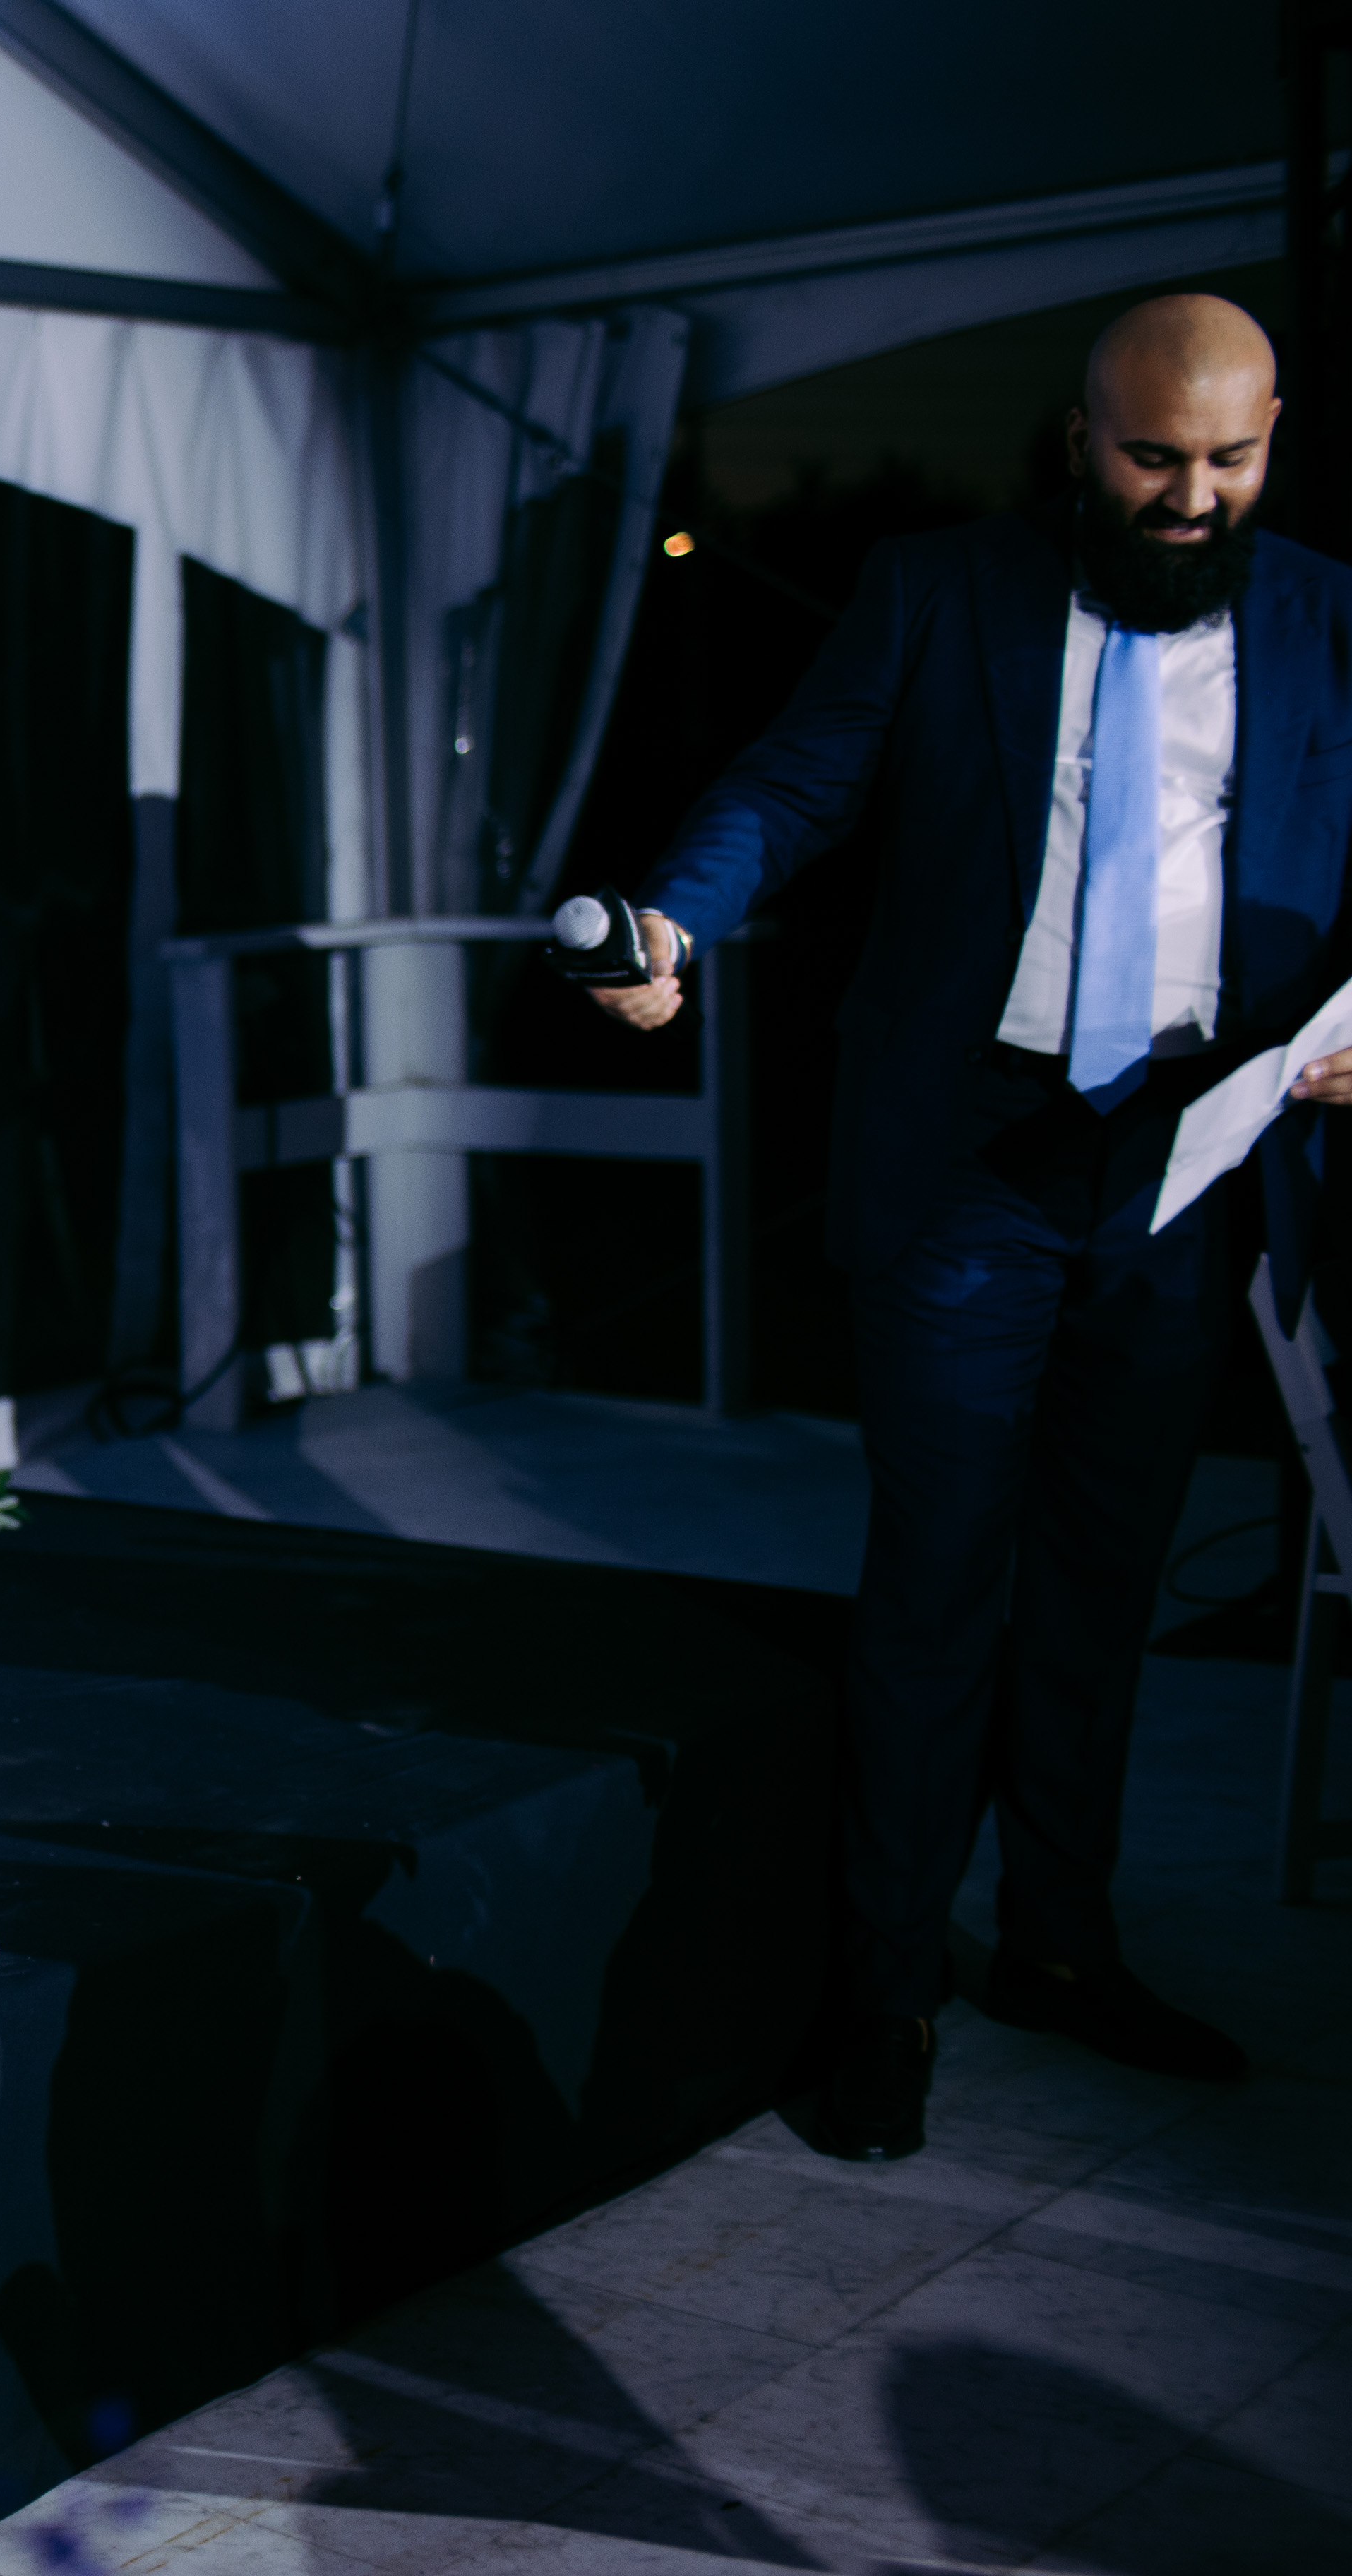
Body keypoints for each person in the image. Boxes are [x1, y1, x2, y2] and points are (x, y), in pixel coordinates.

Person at [595, 294, 1347, 2160]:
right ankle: (887, 1994)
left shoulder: (1329, 615)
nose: (1192, 497)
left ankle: (1063, 1947)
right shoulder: (940, 592)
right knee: (939, 1582)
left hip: (1187, 1159)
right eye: (1153, 458)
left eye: (1231, 460)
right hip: (968, 1158)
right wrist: (677, 917)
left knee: (1103, 1584)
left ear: (1272, 441)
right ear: (1079, 440)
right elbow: (796, 781)